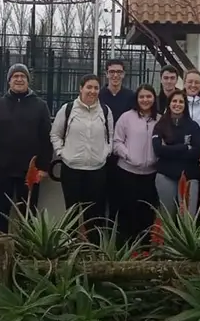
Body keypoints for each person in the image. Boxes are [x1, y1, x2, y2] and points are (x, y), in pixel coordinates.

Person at [0, 63, 54, 236]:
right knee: (0, 214)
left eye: (23, 76)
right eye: (15, 76)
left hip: (30, 172)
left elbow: (46, 138)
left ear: (28, 81)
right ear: (9, 81)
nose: (19, 79)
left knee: (28, 215)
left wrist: (43, 167)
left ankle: (27, 252)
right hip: (1, 171)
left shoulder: (40, 106)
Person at [50, 74, 114, 234]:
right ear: (81, 88)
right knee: (71, 214)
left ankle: (94, 252)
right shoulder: (68, 109)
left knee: (94, 216)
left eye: (96, 88)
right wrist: (62, 152)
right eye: (89, 87)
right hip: (72, 170)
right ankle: (69, 249)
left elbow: (111, 136)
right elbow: (55, 134)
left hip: (97, 171)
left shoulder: (105, 111)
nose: (92, 91)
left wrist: (105, 152)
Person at [112, 84, 159, 244]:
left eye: (148, 96)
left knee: (146, 214)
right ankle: (123, 249)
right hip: (126, 173)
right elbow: (116, 141)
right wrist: (128, 155)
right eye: (142, 97)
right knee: (126, 213)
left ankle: (144, 249)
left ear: (154, 98)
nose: (145, 100)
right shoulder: (126, 117)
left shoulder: (159, 119)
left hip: (150, 175)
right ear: (137, 99)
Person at [152, 89, 200, 216]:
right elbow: (158, 150)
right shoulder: (160, 126)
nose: (177, 104)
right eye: (174, 101)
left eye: (181, 101)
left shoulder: (193, 126)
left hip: (189, 177)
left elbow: (197, 152)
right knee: (166, 216)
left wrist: (169, 150)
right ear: (169, 104)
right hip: (166, 175)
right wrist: (184, 147)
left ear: (185, 105)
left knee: (187, 217)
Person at [98, 59, 137, 222]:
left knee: (120, 197)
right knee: (100, 196)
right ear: (106, 74)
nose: (115, 75)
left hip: (123, 154)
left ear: (124, 74)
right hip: (100, 152)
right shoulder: (98, 95)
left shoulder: (130, 96)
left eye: (119, 72)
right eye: (112, 72)